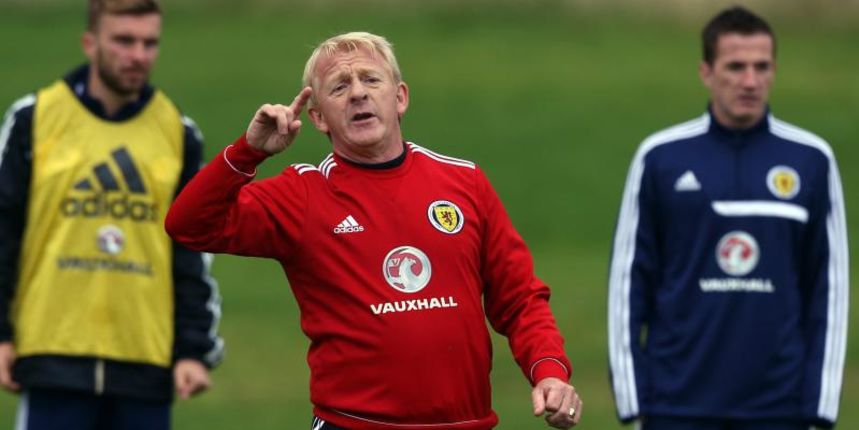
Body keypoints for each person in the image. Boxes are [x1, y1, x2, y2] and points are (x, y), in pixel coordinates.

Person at [165, 31, 582, 430]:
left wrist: (549, 372)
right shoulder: (303, 194)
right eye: (339, 87)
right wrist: (247, 151)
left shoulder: (464, 182)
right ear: (317, 118)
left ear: (399, 97)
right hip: (353, 425)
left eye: (370, 79)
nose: (358, 93)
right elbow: (188, 225)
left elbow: (520, 298)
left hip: (465, 422)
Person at [607, 6, 848, 430]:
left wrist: (819, 408)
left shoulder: (811, 160)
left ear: (775, 70)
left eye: (762, 66)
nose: (750, 81)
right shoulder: (660, 157)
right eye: (735, 67)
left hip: (779, 410)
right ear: (706, 71)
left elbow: (829, 290)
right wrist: (634, 401)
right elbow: (629, 284)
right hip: (675, 408)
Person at [0, 0, 224, 429]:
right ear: (90, 42)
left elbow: (191, 252)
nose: (138, 55)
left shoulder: (178, 133)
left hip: (144, 360)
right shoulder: (35, 118)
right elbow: (4, 231)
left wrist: (192, 349)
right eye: (124, 41)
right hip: (53, 356)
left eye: (149, 43)